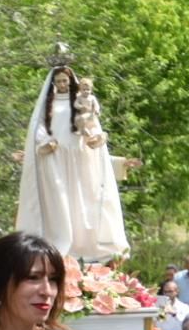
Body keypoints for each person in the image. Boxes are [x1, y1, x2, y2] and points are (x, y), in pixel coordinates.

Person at [15, 66, 129, 260]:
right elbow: (38, 128)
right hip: (56, 161)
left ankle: (83, 248)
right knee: (60, 204)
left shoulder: (79, 103)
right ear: (53, 83)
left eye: (65, 81)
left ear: (71, 82)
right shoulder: (47, 106)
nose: (62, 84)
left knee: (82, 204)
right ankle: (61, 246)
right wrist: (45, 142)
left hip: (79, 160)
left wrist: (94, 138)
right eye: (58, 81)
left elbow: (90, 124)